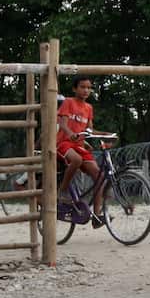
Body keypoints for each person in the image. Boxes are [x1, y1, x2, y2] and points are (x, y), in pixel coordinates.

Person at [57, 76, 106, 226]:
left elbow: (89, 130)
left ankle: (97, 215)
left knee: (99, 175)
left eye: (89, 88)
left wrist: (105, 134)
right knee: (76, 160)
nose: (86, 90)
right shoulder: (68, 102)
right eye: (82, 87)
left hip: (79, 146)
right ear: (75, 89)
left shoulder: (89, 108)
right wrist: (70, 133)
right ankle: (63, 191)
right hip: (64, 143)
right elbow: (62, 124)